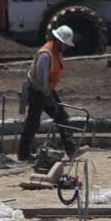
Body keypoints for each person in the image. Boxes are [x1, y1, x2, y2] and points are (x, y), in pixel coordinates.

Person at [18, 25, 77, 162]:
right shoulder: (45, 55)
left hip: (47, 90)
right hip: (37, 91)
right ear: (58, 41)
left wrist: (49, 94)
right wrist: (48, 97)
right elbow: (41, 81)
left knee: (62, 117)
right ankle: (23, 154)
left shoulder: (57, 52)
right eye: (65, 44)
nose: (66, 47)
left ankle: (72, 151)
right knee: (33, 122)